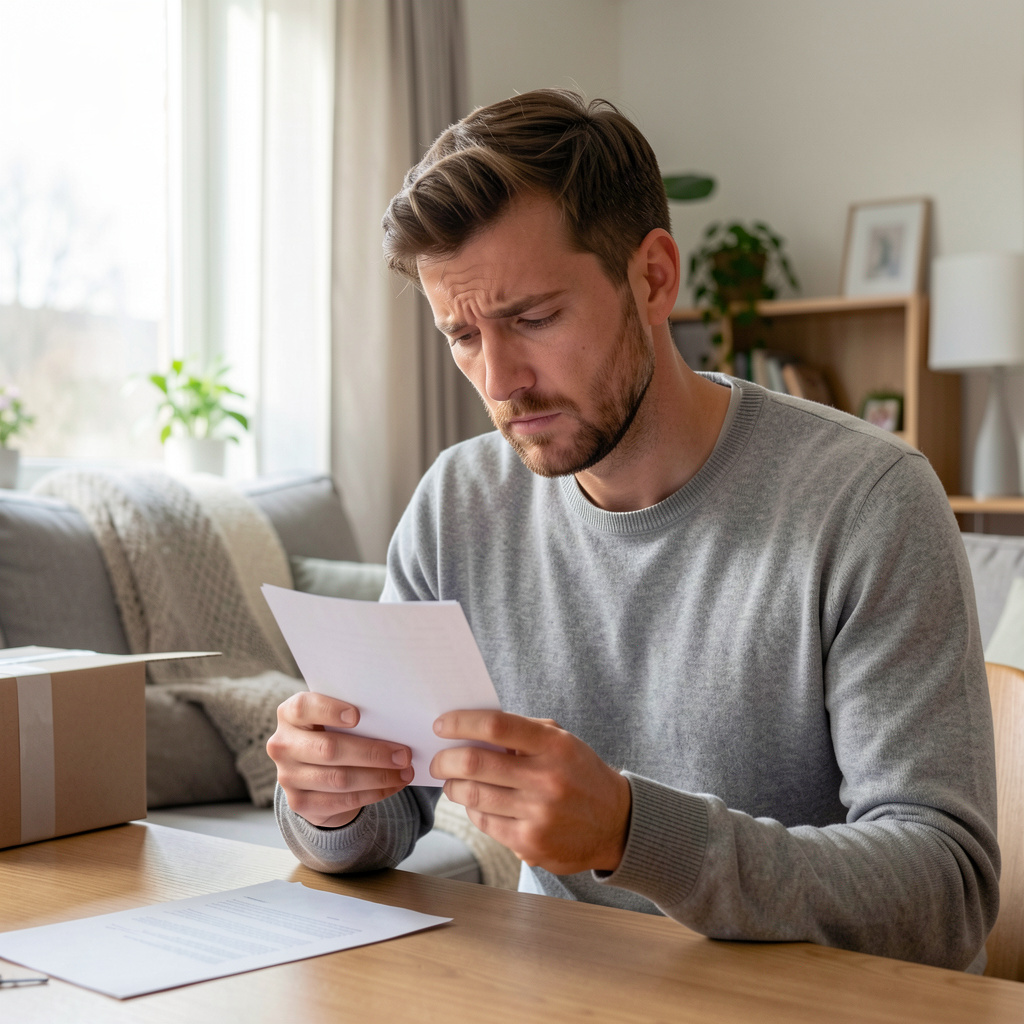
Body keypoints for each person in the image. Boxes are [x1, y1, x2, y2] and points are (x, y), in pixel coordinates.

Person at [267, 89, 999, 971]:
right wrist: (329, 801)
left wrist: (632, 831)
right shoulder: (457, 503)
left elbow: (945, 892)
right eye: (461, 335)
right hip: (564, 989)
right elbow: (385, 822)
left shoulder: (867, 501)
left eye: (534, 319)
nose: (499, 379)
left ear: (653, 277)